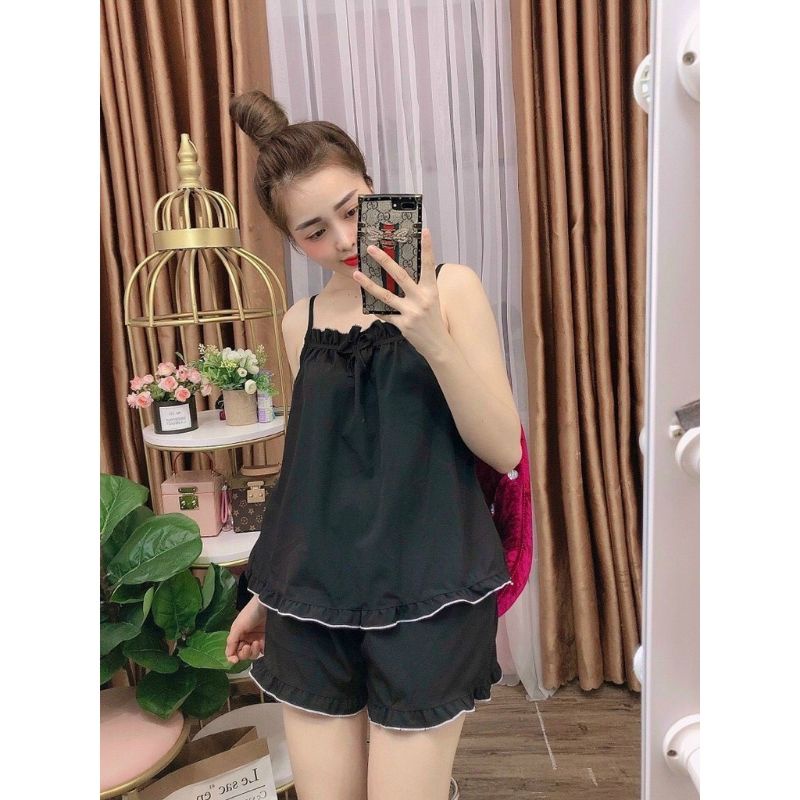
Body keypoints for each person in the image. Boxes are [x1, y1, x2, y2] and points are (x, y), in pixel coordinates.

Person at [224, 90, 522, 800]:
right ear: (293, 241)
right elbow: (309, 477)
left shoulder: (451, 289)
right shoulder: (299, 324)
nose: (343, 239)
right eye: (314, 230)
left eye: (353, 208)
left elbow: (504, 450)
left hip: (429, 587)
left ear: (372, 182)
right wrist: (269, 592)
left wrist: (430, 335)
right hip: (315, 595)